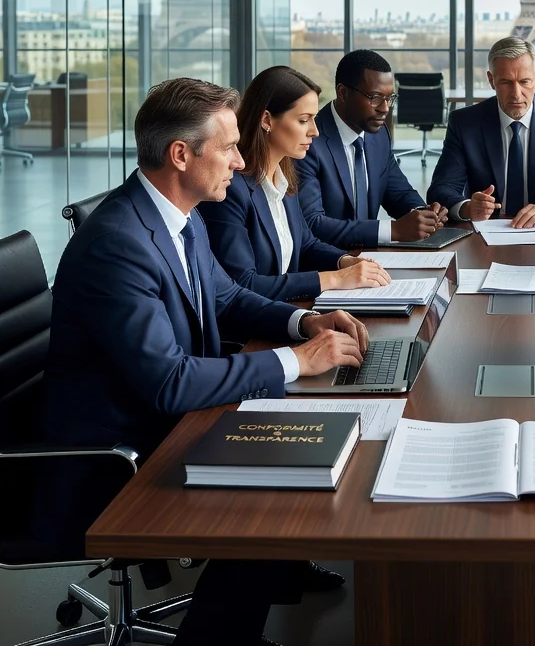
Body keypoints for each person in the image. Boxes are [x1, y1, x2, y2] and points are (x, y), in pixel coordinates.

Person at [40, 78, 373, 646]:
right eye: (229, 148)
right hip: (112, 459)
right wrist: (297, 361)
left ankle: (235, 622)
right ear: (181, 155)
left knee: (302, 444)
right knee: (282, 479)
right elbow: (169, 382)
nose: (242, 161)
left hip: (161, 424)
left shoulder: (180, 213)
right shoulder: (118, 243)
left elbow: (225, 297)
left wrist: (303, 323)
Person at [198, 65, 391, 300]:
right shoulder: (230, 190)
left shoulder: (285, 176)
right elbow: (243, 284)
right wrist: (334, 279)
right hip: (253, 331)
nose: (315, 132)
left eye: (314, 119)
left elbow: (306, 244)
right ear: (267, 120)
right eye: (303, 120)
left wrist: (345, 261)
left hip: (288, 312)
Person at [426, 37, 535, 225]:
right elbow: (441, 189)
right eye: (506, 82)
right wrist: (467, 207)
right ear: (491, 80)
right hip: (484, 237)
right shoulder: (465, 123)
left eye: (524, 81)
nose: (516, 93)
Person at [296, 49, 448, 248]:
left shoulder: (379, 135)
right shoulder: (308, 141)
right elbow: (312, 224)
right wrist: (394, 230)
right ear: (342, 93)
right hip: (325, 264)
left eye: (389, 98)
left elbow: (398, 193)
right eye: (375, 97)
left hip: (371, 258)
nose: (385, 108)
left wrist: (424, 213)